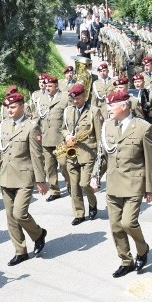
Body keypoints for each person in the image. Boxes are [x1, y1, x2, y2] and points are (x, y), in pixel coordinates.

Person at [91, 91, 152, 278]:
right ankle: (126, 260)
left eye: (112, 105)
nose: (108, 109)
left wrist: (150, 188)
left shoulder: (143, 128)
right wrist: (96, 176)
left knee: (128, 222)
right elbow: (103, 156)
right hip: (113, 184)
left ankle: (142, 249)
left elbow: (151, 161)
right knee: (116, 226)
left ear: (124, 106)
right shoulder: (107, 127)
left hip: (134, 183)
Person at [0, 93, 49, 266]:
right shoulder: (3, 125)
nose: (9, 110)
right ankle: (20, 251)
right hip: (6, 176)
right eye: (7, 107)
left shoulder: (31, 126)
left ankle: (38, 234)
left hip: (24, 177)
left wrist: (41, 180)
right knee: (10, 217)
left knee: (19, 213)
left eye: (13, 107)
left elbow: (37, 156)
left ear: (22, 106)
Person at [61, 83, 102, 224]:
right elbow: (63, 129)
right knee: (74, 185)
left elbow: (99, 135)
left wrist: (99, 155)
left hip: (88, 152)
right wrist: (67, 136)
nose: (75, 101)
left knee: (85, 183)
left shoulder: (94, 111)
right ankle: (79, 213)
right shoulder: (68, 111)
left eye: (78, 98)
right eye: (73, 98)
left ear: (84, 96)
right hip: (72, 153)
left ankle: (92, 203)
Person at [37, 75, 70, 200]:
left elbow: (70, 116)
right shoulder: (41, 99)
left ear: (56, 86)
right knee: (49, 167)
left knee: (64, 164)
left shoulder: (65, 97)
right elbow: (37, 117)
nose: (47, 88)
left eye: (50, 86)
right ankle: (54, 191)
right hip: (46, 139)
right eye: (46, 86)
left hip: (60, 139)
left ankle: (70, 185)